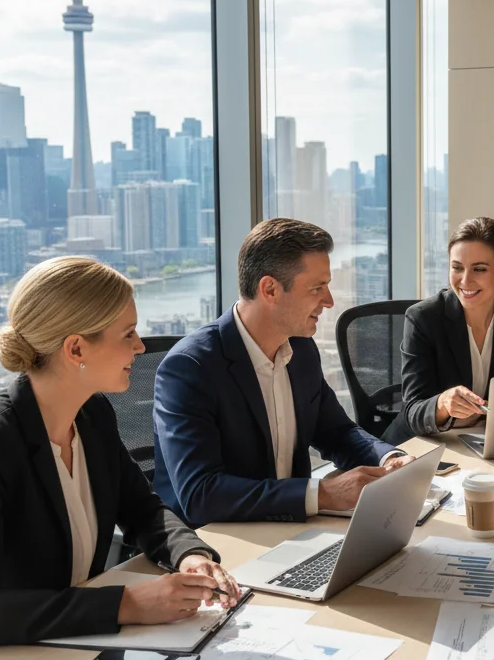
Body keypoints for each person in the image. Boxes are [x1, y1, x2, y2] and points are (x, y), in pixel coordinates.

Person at [0, 257, 240, 649]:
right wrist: (127, 604)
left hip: (77, 647)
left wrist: (189, 554)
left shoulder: (92, 415)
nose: (141, 347)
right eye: (128, 334)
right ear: (76, 348)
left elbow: (142, 509)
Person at [153, 219, 411, 528]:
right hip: (218, 545)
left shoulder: (300, 350)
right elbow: (200, 495)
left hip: (290, 531)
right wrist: (323, 493)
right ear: (270, 289)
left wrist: (389, 458)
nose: (329, 301)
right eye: (317, 288)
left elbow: (336, 432)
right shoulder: (189, 368)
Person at [396, 217, 494, 439]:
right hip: (428, 443)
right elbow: (413, 411)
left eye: (479, 269)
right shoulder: (423, 318)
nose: (465, 281)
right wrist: (442, 404)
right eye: (457, 268)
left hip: (491, 439)